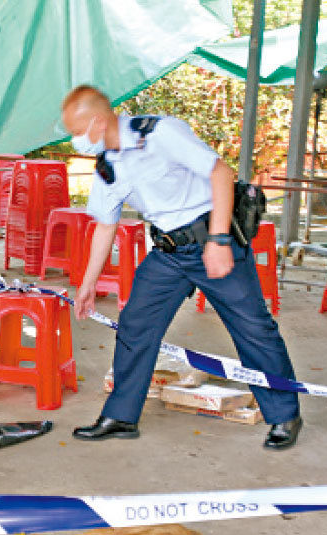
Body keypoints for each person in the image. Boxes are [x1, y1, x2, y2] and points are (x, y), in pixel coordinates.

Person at [60, 85, 303, 450]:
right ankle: (121, 416)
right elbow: (105, 225)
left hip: (212, 239)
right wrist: (88, 284)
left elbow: (221, 173)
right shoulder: (107, 167)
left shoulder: (161, 134)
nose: (76, 141)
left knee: (254, 330)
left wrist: (220, 241)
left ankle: (285, 415)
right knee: (136, 324)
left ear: (97, 121)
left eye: (77, 132)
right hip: (168, 253)